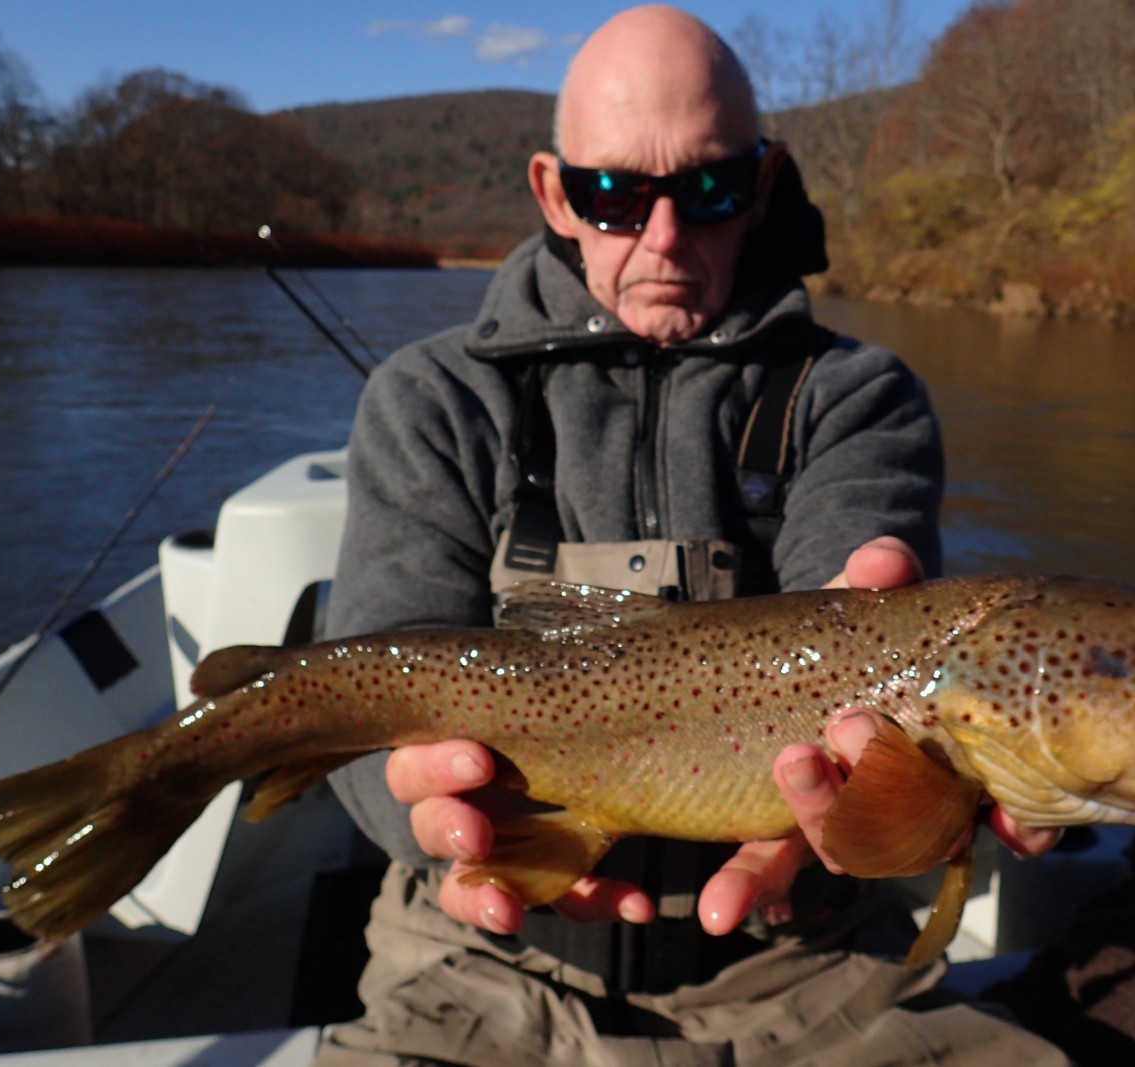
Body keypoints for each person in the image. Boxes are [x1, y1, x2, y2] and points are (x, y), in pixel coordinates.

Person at [315, 7, 1069, 1065]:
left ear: (760, 187)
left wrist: (873, 797)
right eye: (614, 195)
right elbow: (371, 682)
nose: (663, 237)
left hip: (809, 957)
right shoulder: (431, 398)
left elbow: (859, 630)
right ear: (553, 194)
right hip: (474, 955)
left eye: (707, 190)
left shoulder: (854, 395)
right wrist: (431, 821)